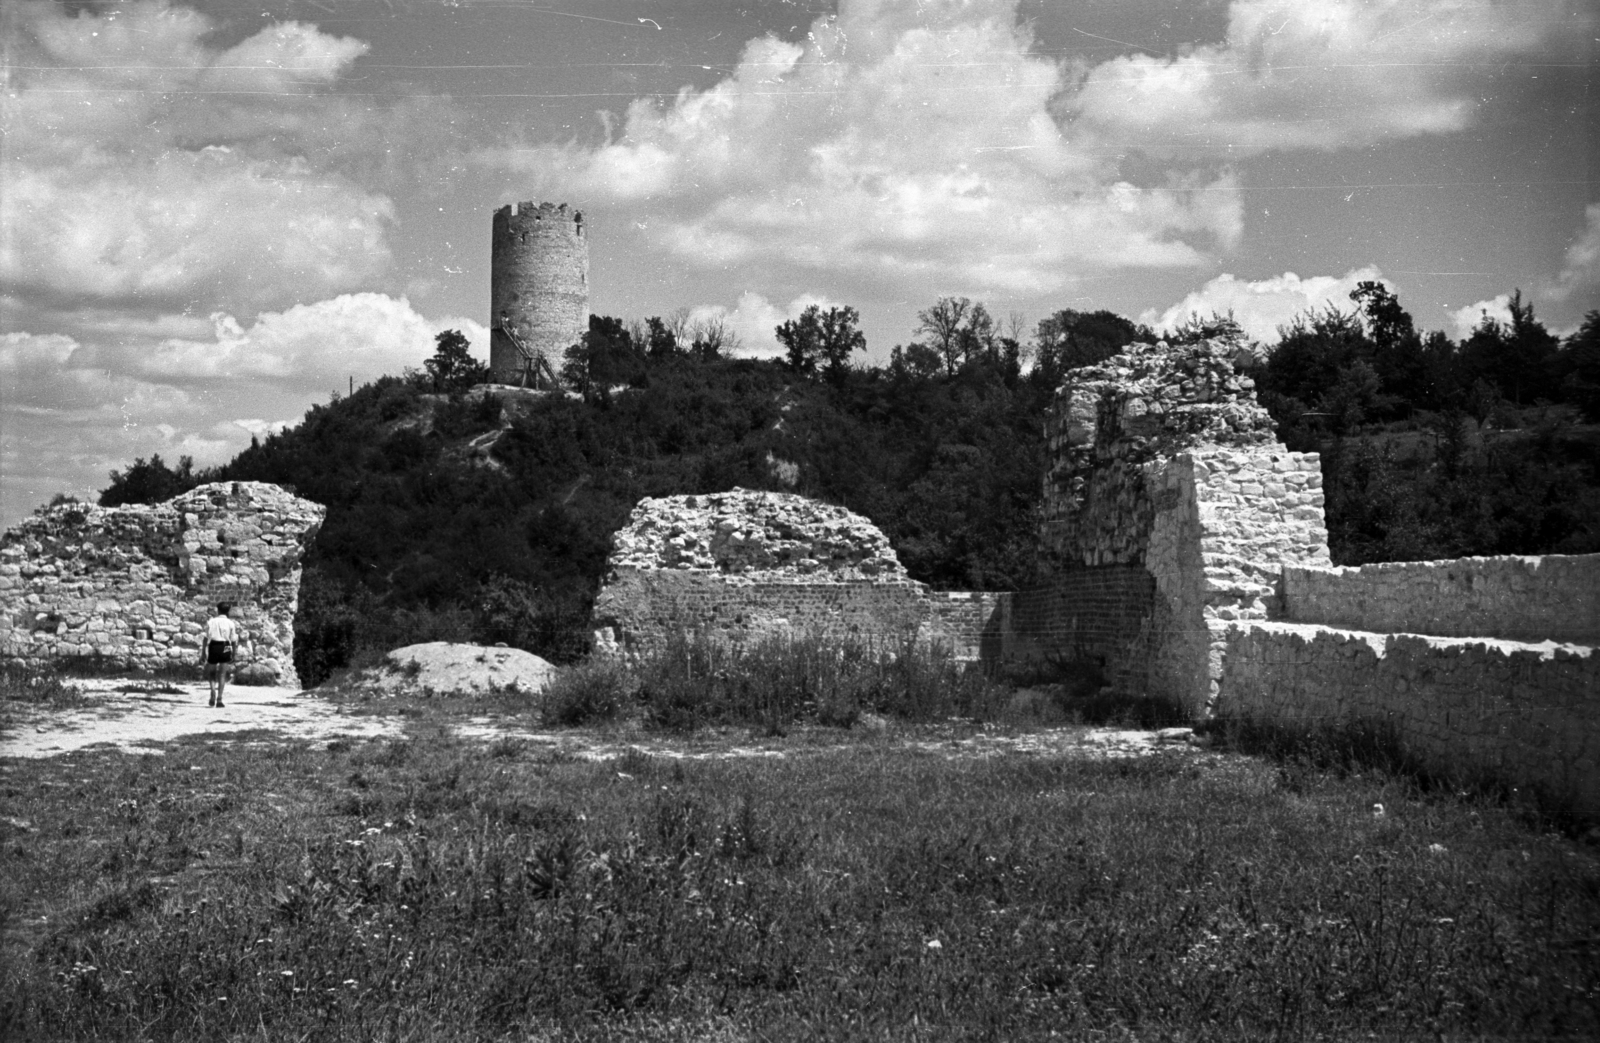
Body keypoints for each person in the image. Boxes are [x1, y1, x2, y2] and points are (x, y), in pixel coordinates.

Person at [199, 602, 247, 708]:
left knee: (211, 672)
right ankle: (220, 698)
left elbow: (206, 638)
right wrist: (234, 654)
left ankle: (212, 691)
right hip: (225, 646)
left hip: (214, 645)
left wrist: (203, 653)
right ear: (228, 611)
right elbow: (234, 640)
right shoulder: (230, 623)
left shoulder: (211, 622)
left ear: (218, 610)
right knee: (222, 673)